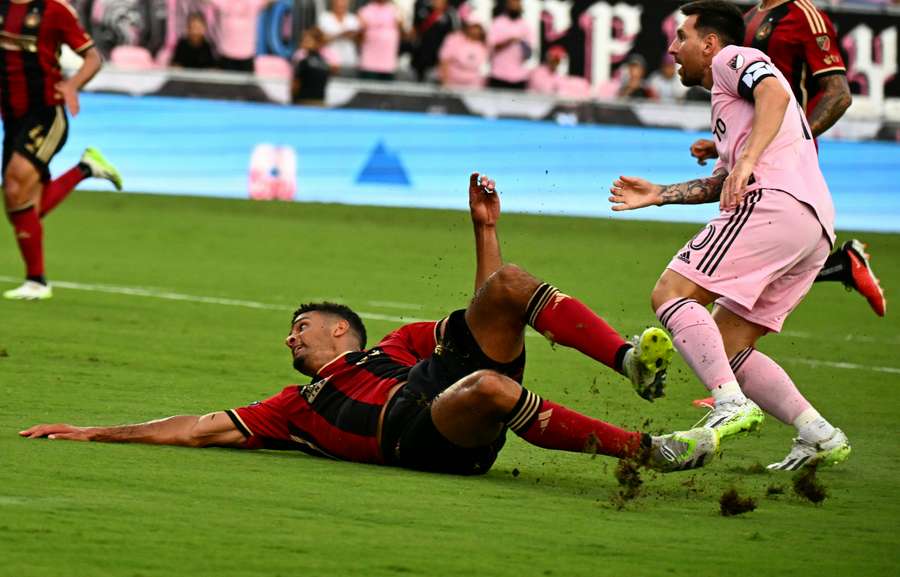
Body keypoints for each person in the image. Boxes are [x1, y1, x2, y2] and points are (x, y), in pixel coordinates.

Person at [20, 172, 719, 477]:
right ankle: (648, 451)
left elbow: (485, 323)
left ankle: (628, 359)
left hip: (434, 386)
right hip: (418, 436)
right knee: (487, 389)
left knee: (507, 286)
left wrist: (486, 231)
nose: (290, 337)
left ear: (339, 330)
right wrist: (92, 431)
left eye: (300, 324)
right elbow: (194, 427)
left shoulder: (401, 345)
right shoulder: (293, 407)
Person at [609, 0, 851, 471]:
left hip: (774, 202)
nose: (674, 48)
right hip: (813, 224)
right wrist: (659, 194)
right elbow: (720, 182)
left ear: (711, 42)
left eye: (682, 37)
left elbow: (777, 97)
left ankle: (730, 404)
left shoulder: (732, 60)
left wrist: (745, 161)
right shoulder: (728, 103)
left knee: (672, 293)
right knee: (727, 342)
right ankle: (818, 433)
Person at [688, 0, 885, 318]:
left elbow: (838, 94)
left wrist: (791, 136)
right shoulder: (749, 16)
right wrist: (722, 144)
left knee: (732, 264)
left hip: (784, 166)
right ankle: (839, 265)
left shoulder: (806, 16)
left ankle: (683, 315)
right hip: (753, 162)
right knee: (748, 260)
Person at [1, 0, 123, 301]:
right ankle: (86, 168)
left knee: (15, 186)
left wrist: (71, 86)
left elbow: (93, 58)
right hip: (13, 118)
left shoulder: (54, 10)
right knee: (25, 208)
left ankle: (37, 282)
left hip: (46, 113)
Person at [206, 0, 273, 73]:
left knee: (246, 84)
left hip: (247, 56)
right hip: (226, 55)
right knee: (226, 84)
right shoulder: (223, 1)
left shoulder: (253, 2)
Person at [487, 0, 533, 90]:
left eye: (517, 4)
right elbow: (490, 48)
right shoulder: (498, 23)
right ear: (507, 6)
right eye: (512, 4)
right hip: (498, 75)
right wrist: (508, 42)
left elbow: (528, 54)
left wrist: (522, 44)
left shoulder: (526, 25)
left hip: (519, 77)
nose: (514, 6)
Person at [411, 0, 460, 82]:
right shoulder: (424, 10)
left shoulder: (450, 14)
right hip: (422, 52)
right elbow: (415, 29)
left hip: (440, 54)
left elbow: (454, 34)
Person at [357, 0, 405, 81]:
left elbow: (403, 33)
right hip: (369, 64)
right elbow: (359, 37)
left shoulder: (395, 10)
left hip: (389, 64)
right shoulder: (365, 10)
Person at [438, 19, 488, 89]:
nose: (475, 30)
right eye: (473, 27)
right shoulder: (454, 38)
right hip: (453, 81)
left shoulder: (484, 43)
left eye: (478, 28)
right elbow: (444, 61)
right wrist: (445, 82)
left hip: (473, 83)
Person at [318, 0, 361, 74]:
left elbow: (359, 40)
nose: (341, 4)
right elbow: (320, 39)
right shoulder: (324, 17)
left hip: (349, 59)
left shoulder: (353, 18)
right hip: (329, 60)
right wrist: (341, 35)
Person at [291, 27, 332, 105]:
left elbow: (296, 84)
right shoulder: (325, 62)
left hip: (303, 102)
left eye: (307, 41)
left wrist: (292, 100)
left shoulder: (303, 61)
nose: (303, 42)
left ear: (317, 43)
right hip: (321, 101)